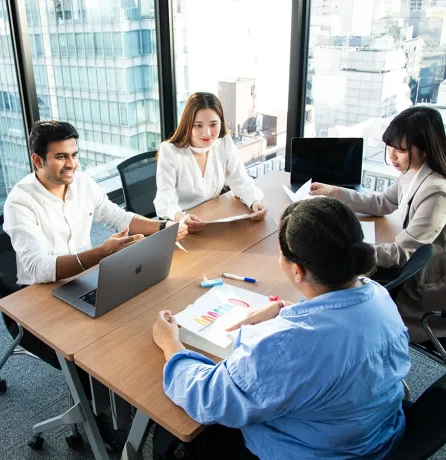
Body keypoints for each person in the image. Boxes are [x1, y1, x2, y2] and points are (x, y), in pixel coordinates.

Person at [152, 198, 411, 460]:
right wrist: (284, 308)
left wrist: (170, 344)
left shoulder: (288, 345)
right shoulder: (377, 294)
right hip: (380, 434)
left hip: (324, 452)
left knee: (180, 436)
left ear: (297, 270)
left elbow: (208, 397)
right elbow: (337, 324)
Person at [2, 120, 187, 450]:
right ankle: (102, 420)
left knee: (140, 320)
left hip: (86, 281)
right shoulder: (19, 203)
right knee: (106, 352)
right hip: (38, 303)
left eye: (75, 154)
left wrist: (164, 226)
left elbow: (118, 217)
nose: (71, 163)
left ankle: (129, 404)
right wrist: (100, 253)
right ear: (37, 160)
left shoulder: (82, 183)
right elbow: (38, 267)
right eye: (60, 157)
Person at [310, 106, 446, 347]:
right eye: (390, 147)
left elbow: (401, 253)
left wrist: (348, 250)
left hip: (419, 279)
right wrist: (336, 192)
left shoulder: (436, 191)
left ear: (425, 148)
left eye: (400, 150)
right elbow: (384, 202)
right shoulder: (414, 171)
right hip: (407, 262)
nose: (392, 156)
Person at [153, 92, 267, 233]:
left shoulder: (224, 144)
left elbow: (241, 181)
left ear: (221, 123)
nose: (207, 133)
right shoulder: (170, 151)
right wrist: (181, 217)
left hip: (212, 221)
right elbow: (164, 200)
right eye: (198, 125)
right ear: (188, 125)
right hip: (181, 228)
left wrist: (255, 202)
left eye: (213, 124)